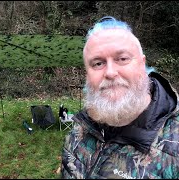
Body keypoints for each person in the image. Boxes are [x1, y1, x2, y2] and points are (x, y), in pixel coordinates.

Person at [61, 16, 179, 179]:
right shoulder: (80, 128)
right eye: (98, 63)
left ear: (142, 64)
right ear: (87, 74)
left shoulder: (175, 144)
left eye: (122, 59)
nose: (110, 72)